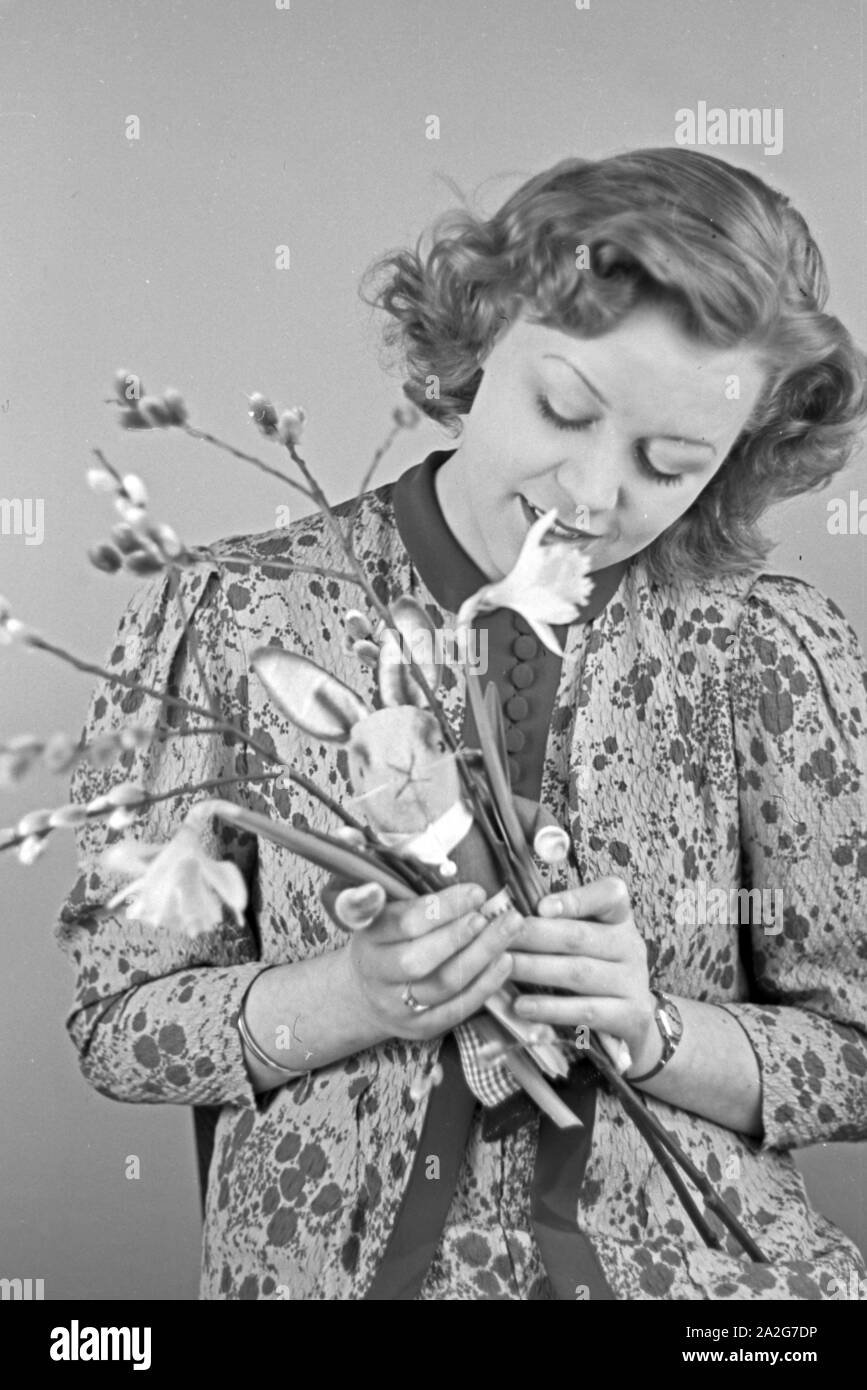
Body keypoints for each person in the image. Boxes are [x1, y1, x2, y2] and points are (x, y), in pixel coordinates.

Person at [56, 147, 867, 1300]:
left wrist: (652, 1030)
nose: (591, 496)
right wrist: (351, 993)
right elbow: (116, 1024)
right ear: (486, 329)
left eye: (670, 462)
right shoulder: (239, 618)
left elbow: (857, 1047)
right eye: (564, 409)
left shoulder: (769, 651)